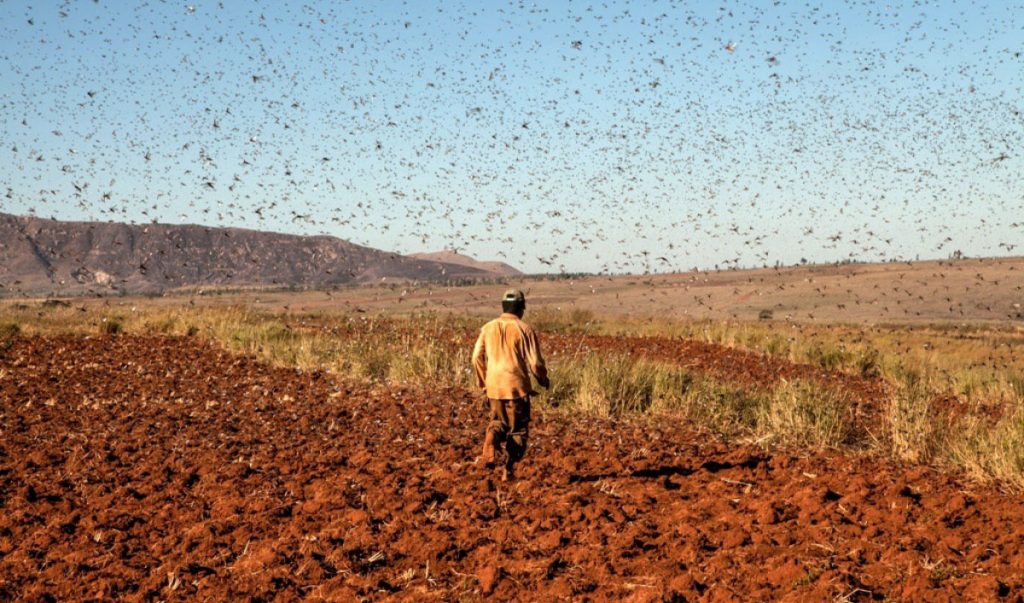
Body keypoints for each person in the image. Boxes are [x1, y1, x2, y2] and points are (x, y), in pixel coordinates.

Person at [471, 289, 550, 481]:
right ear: (522, 308)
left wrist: (484, 382)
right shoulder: (524, 329)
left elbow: (476, 358)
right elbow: (536, 363)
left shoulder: (488, 328)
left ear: (503, 307)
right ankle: (508, 469)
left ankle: (492, 437)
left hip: (493, 387)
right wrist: (542, 379)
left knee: (498, 422)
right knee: (518, 430)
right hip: (516, 387)